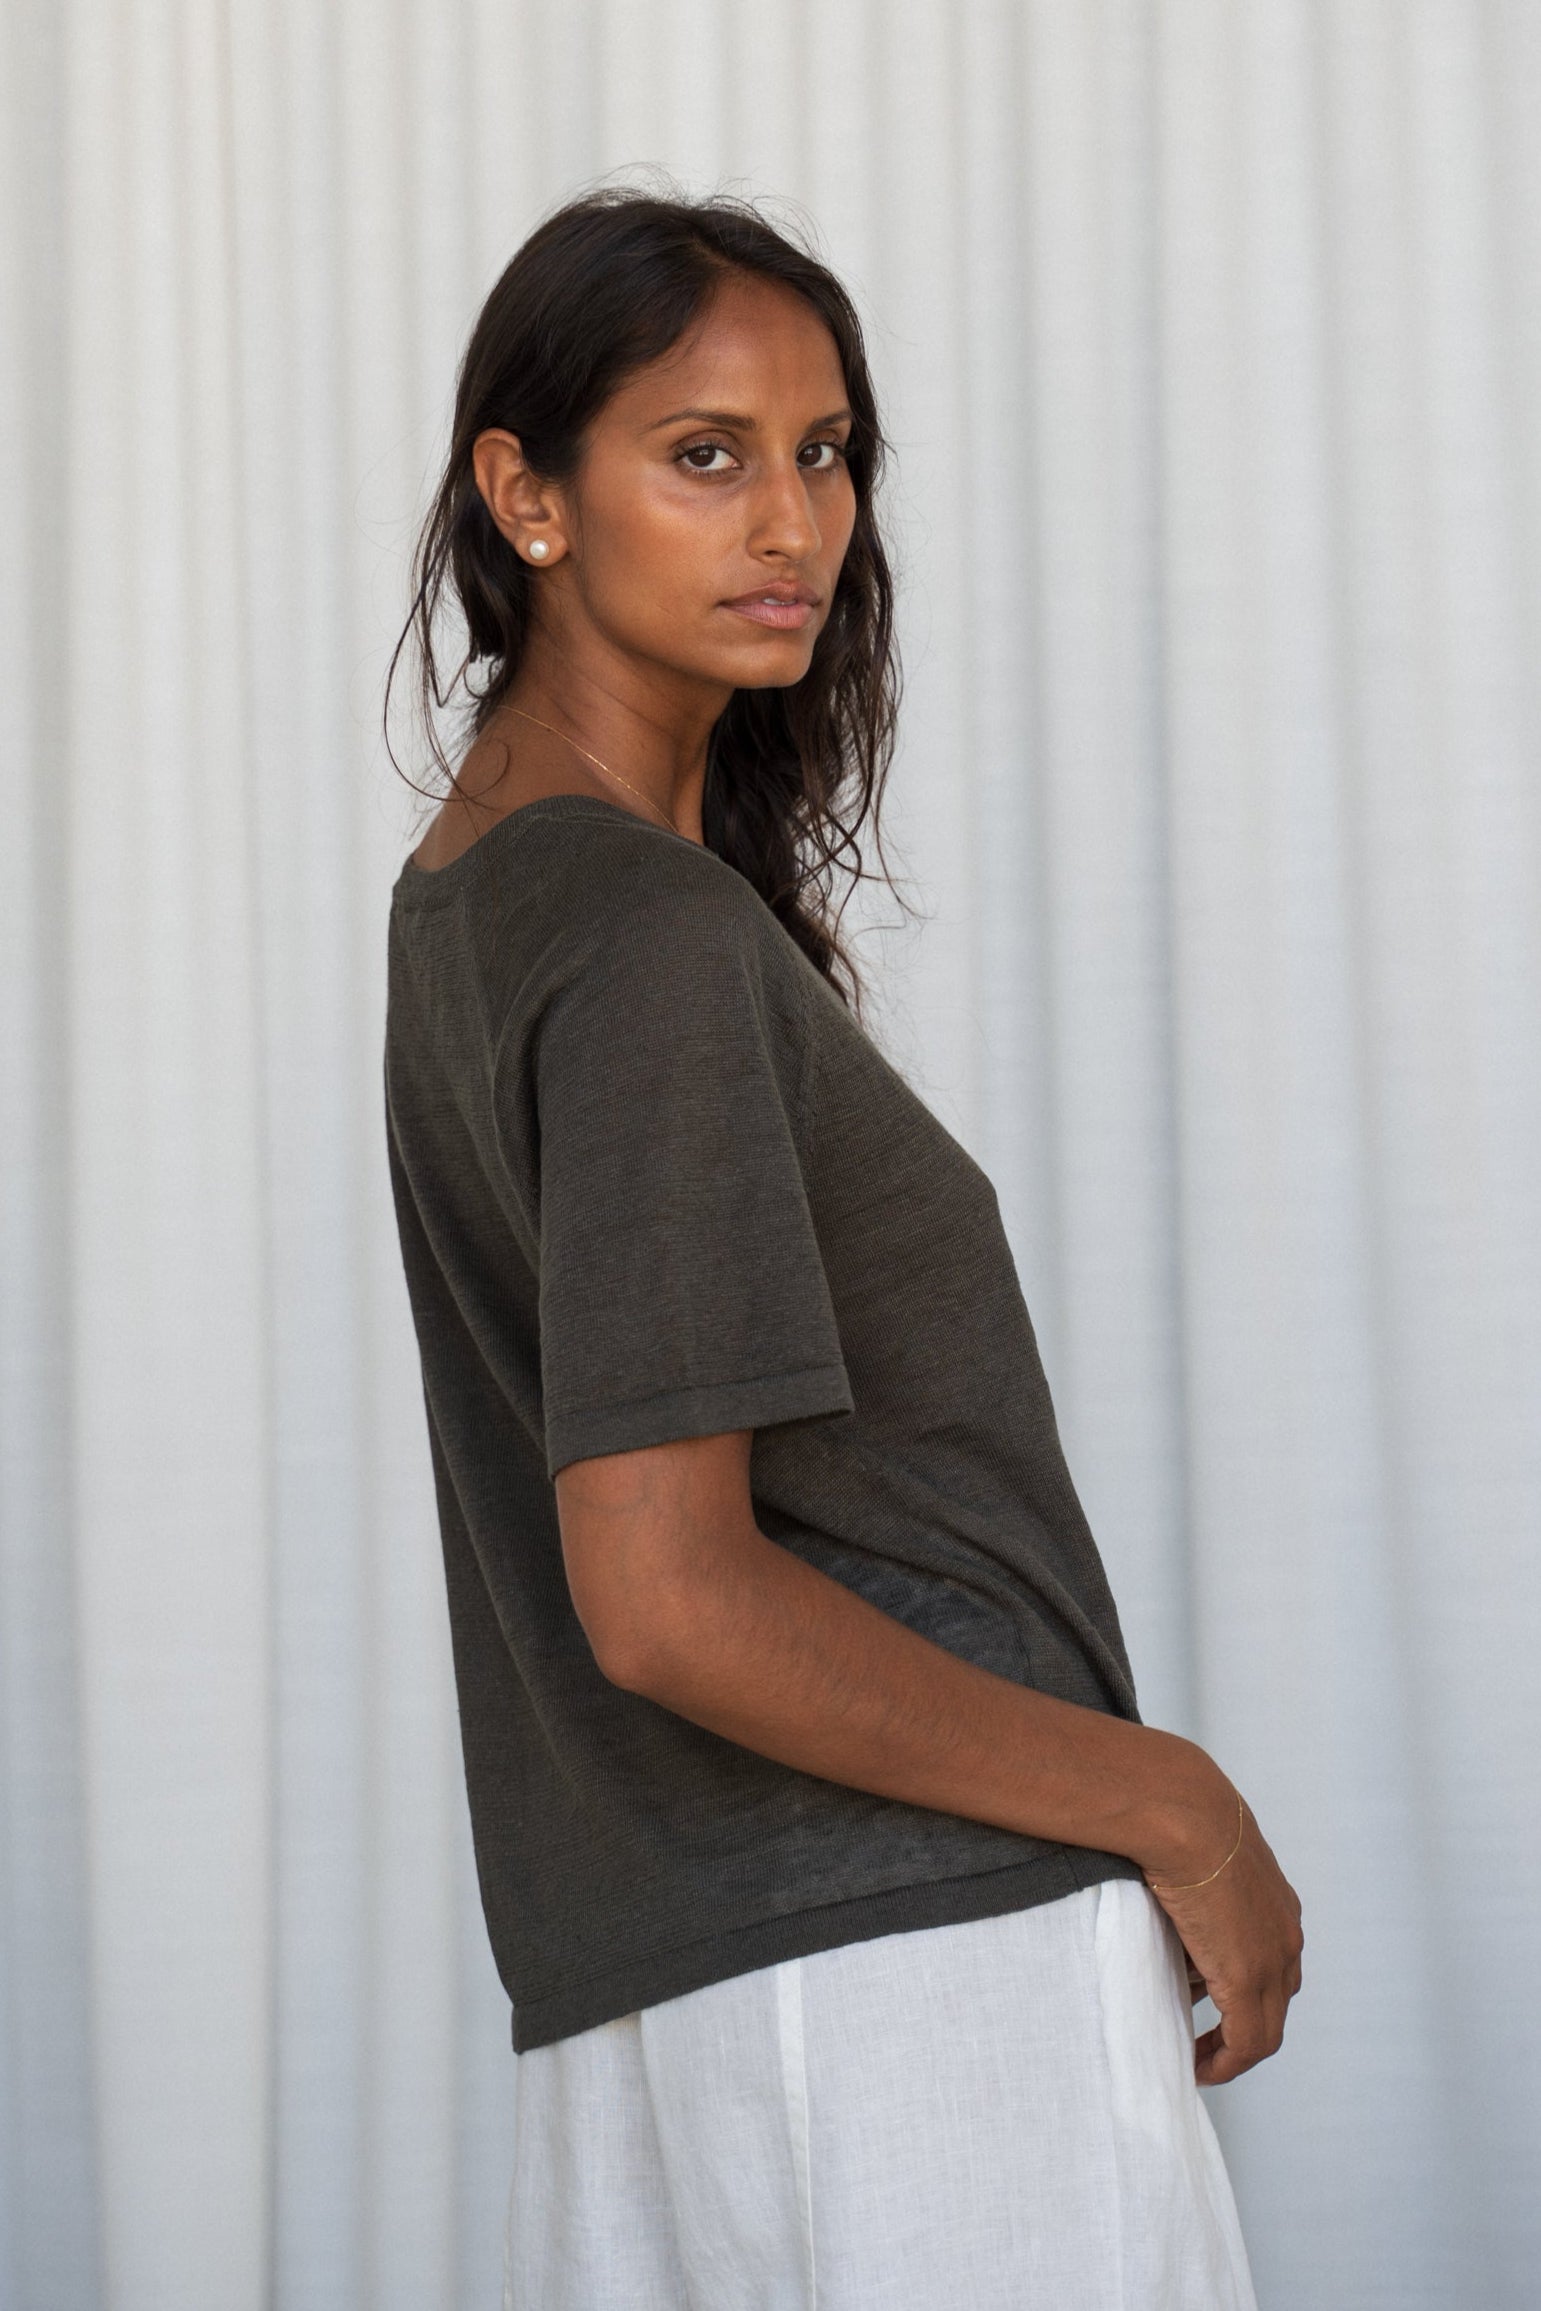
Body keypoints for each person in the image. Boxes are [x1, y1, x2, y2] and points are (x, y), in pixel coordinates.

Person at [382, 187, 1302, 2311]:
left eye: (825, 451)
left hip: (691, 1978)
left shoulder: (480, 898)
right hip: (903, 1984)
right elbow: (668, 1594)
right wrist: (1175, 1803)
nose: (792, 519)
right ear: (527, 494)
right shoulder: (641, 936)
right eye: (704, 454)